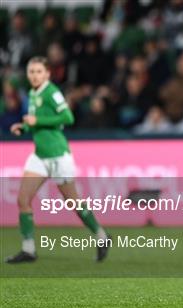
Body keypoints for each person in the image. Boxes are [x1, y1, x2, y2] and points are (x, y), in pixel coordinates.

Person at [6, 57, 110, 264]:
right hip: (39, 156)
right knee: (23, 200)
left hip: (57, 155)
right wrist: (25, 127)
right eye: (31, 72)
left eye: (38, 71)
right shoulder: (34, 93)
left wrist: (38, 121)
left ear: (47, 74)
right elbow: (36, 123)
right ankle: (28, 250)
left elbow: (68, 118)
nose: (34, 75)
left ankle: (101, 236)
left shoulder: (51, 92)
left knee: (73, 202)